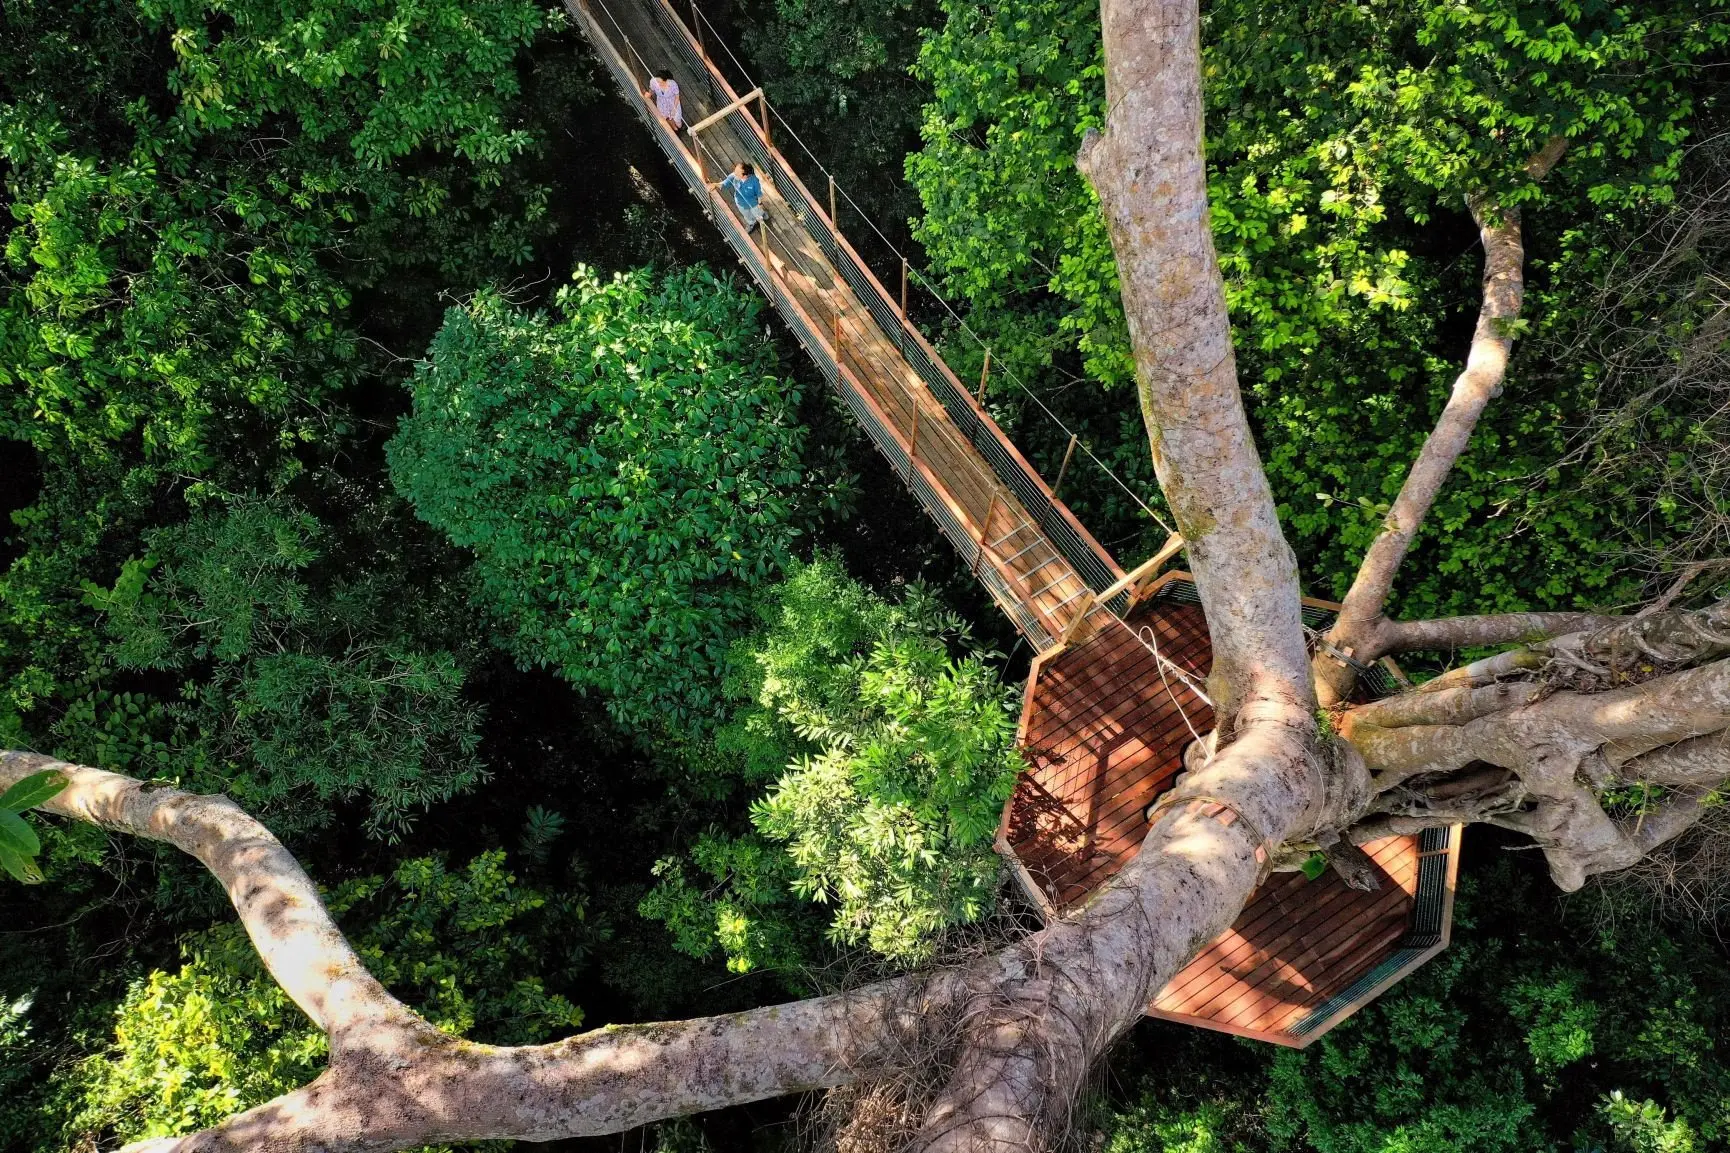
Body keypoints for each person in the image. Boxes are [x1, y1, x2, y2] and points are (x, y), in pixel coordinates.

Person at [713, 161, 766, 234]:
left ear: (744, 176)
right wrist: (715, 184)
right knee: (747, 215)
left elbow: (758, 193)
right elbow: (724, 184)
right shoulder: (733, 176)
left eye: (737, 172)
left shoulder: (754, 180)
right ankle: (751, 223)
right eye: (735, 171)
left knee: (758, 212)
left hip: (753, 202)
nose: (735, 173)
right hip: (740, 202)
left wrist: (760, 204)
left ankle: (762, 214)